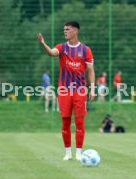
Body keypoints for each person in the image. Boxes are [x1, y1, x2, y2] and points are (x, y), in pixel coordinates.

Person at [37, 21, 95, 161]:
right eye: (64, 29)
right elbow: (51, 53)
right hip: (64, 90)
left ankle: (79, 153)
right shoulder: (61, 48)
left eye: (67, 29)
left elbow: (90, 71)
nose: (65, 31)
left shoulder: (85, 50)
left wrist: (92, 89)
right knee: (65, 122)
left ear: (76, 31)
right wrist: (44, 44)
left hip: (80, 91)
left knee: (80, 122)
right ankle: (68, 152)